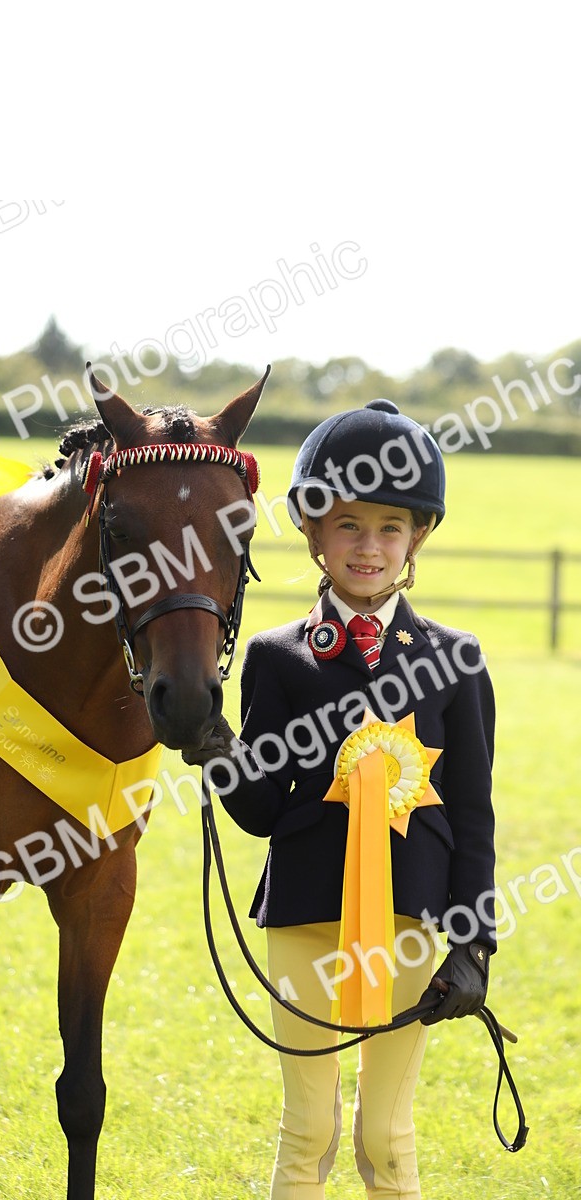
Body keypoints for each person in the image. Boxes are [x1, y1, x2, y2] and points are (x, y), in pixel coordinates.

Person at [183, 399, 495, 1200]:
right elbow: (259, 811)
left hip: (412, 922)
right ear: (313, 533)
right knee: (308, 1129)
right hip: (306, 913)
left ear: (416, 537)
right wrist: (218, 748)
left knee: (386, 1136)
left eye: (390, 527)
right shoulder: (275, 657)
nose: (368, 546)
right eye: (347, 525)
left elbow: (471, 813)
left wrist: (475, 941)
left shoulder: (456, 662)